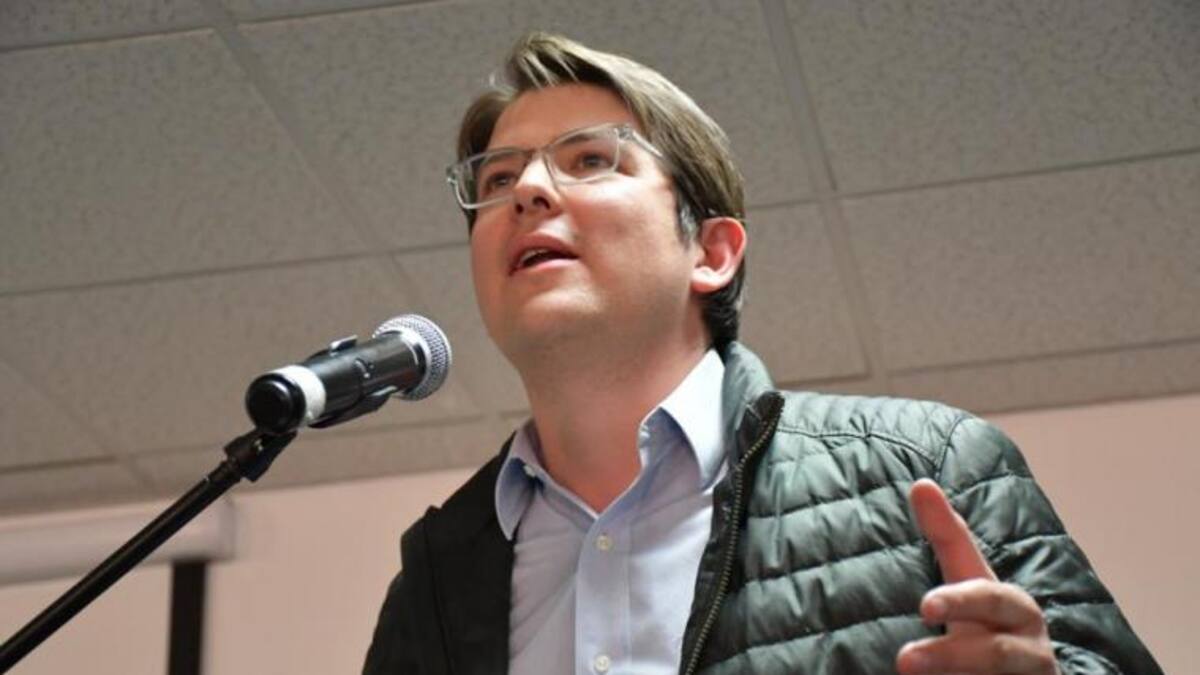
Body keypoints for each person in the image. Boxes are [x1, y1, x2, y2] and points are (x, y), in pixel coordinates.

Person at [364, 32, 1160, 675]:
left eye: (590, 159)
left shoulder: (930, 463)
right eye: (498, 177)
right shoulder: (433, 577)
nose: (528, 190)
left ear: (711, 252)